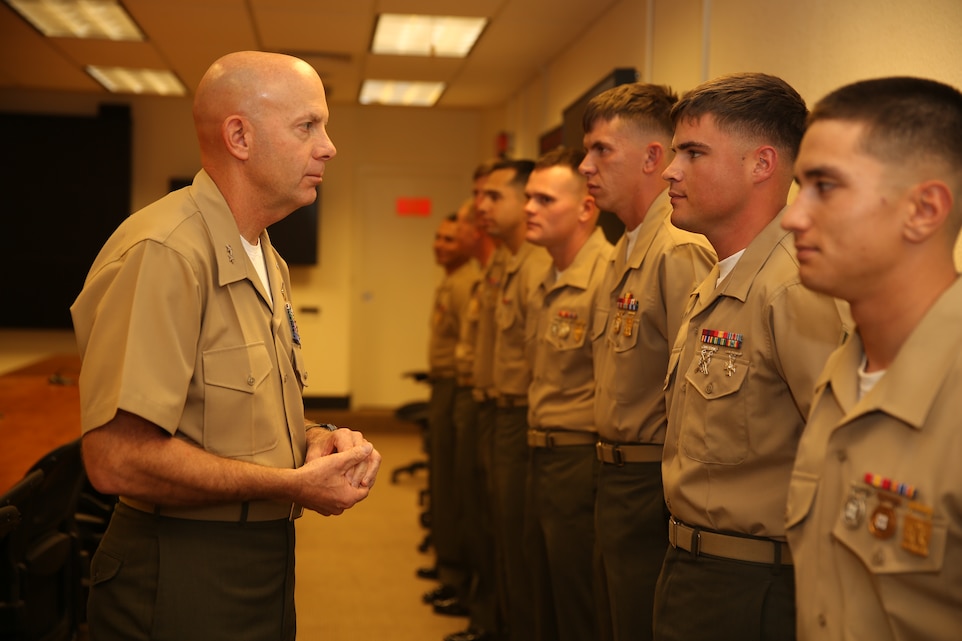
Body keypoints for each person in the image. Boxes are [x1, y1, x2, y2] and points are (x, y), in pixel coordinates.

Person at [70, 51, 382, 641]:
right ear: (238, 135)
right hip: (182, 566)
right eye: (307, 126)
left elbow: (237, 411)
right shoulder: (166, 251)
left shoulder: (266, 256)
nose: (329, 147)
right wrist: (289, 485)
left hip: (261, 559)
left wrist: (315, 441)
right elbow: (116, 458)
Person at [655, 72, 848, 640]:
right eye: (673, 153)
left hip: (754, 586)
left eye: (693, 153)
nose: (670, 171)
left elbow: (839, 451)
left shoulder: (793, 288)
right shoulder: (722, 277)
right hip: (696, 566)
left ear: (761, 164)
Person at [782, 76, 962, 640]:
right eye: (798, 186)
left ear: (924, 210)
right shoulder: (843, 371)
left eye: (825, 187)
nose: (792, 217)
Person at [579, 83, 715, 641]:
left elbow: (693, 389)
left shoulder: (677, 249)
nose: (585, 166)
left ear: (652, 158)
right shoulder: (629, 246)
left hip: (649, 480)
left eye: (601, 150)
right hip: (616, 472)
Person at [523, 146, 612, 641]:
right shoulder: (546, 274)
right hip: (541, 452)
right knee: (545, 594)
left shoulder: (607, 274)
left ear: (585, 208)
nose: (529, 208)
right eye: (528, 198)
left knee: (579, 603)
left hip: (580, 461)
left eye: (544, 199)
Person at [478, 158, 551, 641]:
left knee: (524, 551)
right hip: (499, 408)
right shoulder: (508, 261)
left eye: (494, 196)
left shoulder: (538, 265)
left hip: (525, 417)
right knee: (502, 536)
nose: (482, 206)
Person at [444, 194, 503, 641]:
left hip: (502, 409)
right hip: (475, 396)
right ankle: (475, 603)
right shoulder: (487, 274)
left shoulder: (494, 273)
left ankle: (484, 611)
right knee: (468, 503)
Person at [424, 211, 480, 611]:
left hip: (457, 388)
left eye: (448, 239)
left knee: (455, 487)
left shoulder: (466, 284)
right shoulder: (451, 281)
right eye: (438, 238)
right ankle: (447, 565)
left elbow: (468, 346)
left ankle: (455, 572)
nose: (439, 245)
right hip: (443, 387)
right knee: (442, 482)